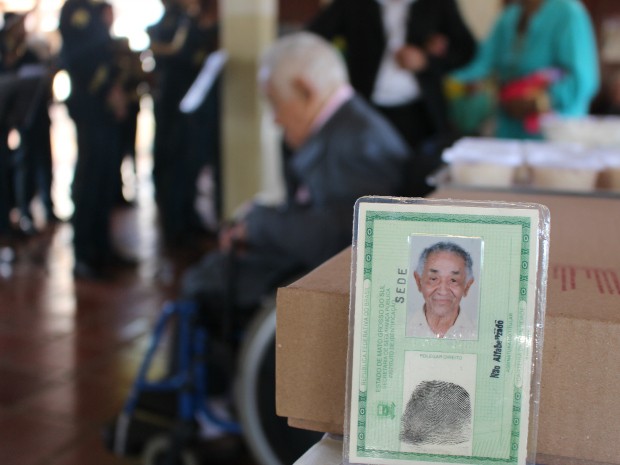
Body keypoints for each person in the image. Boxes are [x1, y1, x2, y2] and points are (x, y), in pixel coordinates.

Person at [181, 31, 411, 344]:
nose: (275, 119)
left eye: (275, 102)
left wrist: (257, 225)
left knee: (204, 280)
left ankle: (202, 382)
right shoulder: (349, 126)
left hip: (320, 276)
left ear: (305, 89)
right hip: (311, 264)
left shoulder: (358, 142)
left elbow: (340, 238)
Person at [307, 0, 477, 196]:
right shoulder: (353, 4)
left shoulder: (436, 4)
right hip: (367, 113)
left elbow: (467, 49)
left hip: (420, 115)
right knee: (370, 184)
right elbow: (312, 40)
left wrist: (427, 61)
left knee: (419, 185)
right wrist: (333, 78)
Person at [59, 0, 135, 279]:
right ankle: (83, 254)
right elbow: (79, 60)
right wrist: (108, 90)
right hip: (90, 106)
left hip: (106, 109)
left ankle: (103, 249)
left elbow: (107, 54)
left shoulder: (95, 8)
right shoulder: (74, 9)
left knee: (105, 182)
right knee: (89, 182)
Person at [449, 0, 599, 140]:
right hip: (510, 135)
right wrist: (456, 83)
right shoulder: (509, 17)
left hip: (556, 138)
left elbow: (583, 80)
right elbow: (481, 65)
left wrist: (540, 101)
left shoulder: (569, 14)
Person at [407, 241, 476, 339]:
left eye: (453, 280)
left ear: (467, 286)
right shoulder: (400, 327)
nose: (443, 291)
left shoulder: (478, 332)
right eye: (434, 279)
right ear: (419, 281)